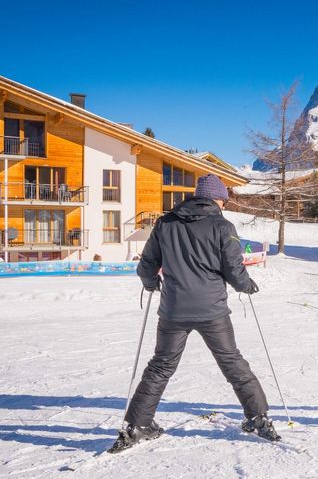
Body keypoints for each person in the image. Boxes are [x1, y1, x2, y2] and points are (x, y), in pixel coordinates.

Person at [109, 174, 279, 452]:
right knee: (232, 362)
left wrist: (150, 283)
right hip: (212, 310)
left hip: (174, 309)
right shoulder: (222, 226)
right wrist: (246, 285)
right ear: (216, 199)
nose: (224, 205)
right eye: (224, 200)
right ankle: (258, 418)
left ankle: (138, 425)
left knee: (161, 365)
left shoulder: (166, 223)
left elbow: (146, 264)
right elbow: (233, 269)